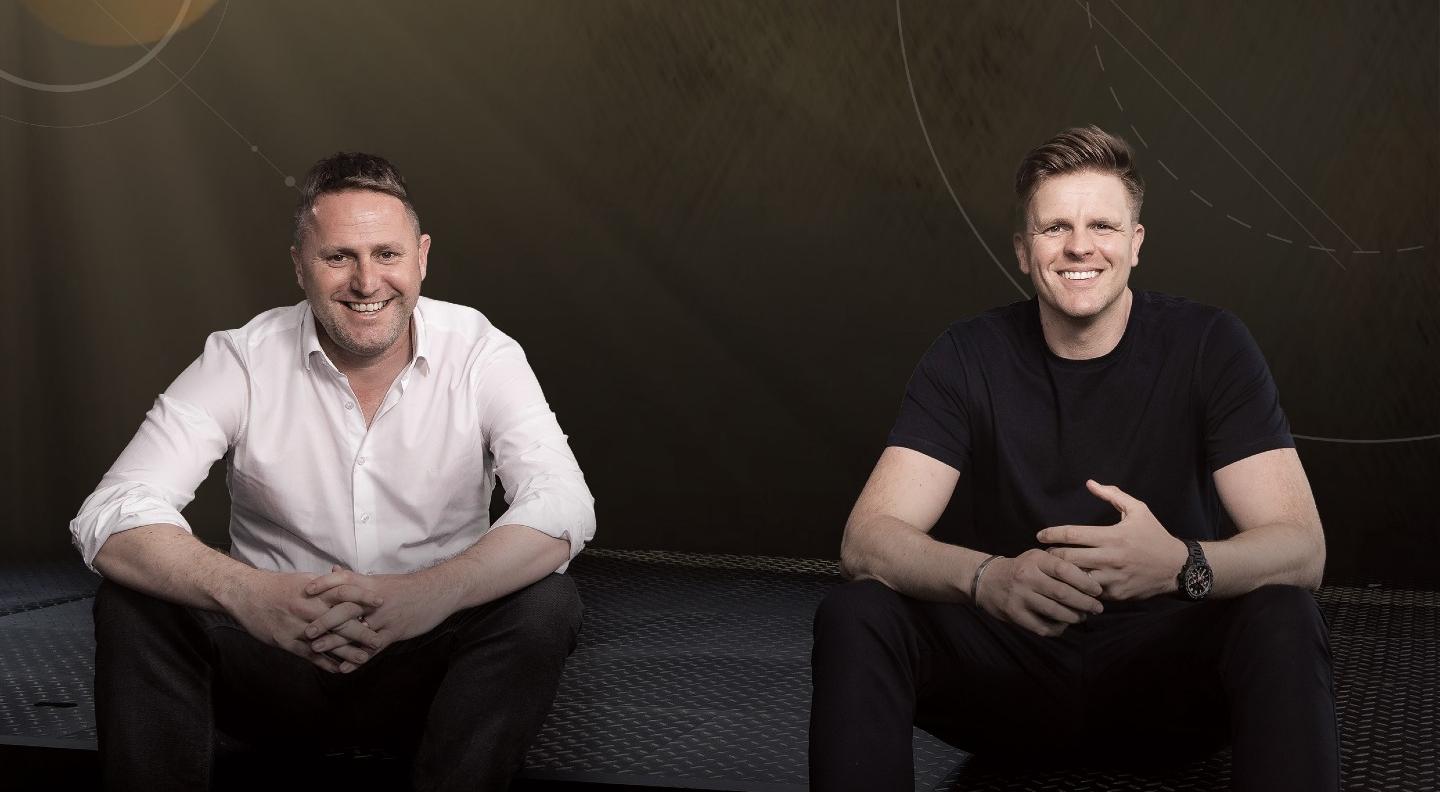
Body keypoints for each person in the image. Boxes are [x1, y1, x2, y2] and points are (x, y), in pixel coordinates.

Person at [809, 126, 1337, 791]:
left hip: (1167, 688)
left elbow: (1303, 550)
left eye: (1103, 226)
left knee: (1285, 613)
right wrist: (987, 578)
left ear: (1136, 244)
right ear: (1025, 253)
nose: (1080, 246)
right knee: (857, 614)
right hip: (1012, 684)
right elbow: (866, 540)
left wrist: (1182, 564)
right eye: (1054, 228)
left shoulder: (1212, 345)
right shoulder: (967, 355)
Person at [70, 152, 596, 791]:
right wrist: (254, 597)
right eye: (338, 257)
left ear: (422, 256)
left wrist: (427, 596)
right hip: (273, 665)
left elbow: (563, 502)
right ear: (300, 265)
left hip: (433, 674)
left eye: (388, 254)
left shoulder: (482, 352)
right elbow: (114, 509)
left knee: (547, 603)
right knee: (134, 603)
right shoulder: (240, 359)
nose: (367, 281)